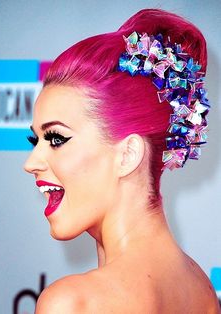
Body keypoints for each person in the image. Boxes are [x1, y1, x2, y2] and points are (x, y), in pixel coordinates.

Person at [24, 8, 220, 313]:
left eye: (57, 139)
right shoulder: (201, 291)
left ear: (127, 155)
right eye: (35, 140)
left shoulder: (73, 304)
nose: (31, 162)